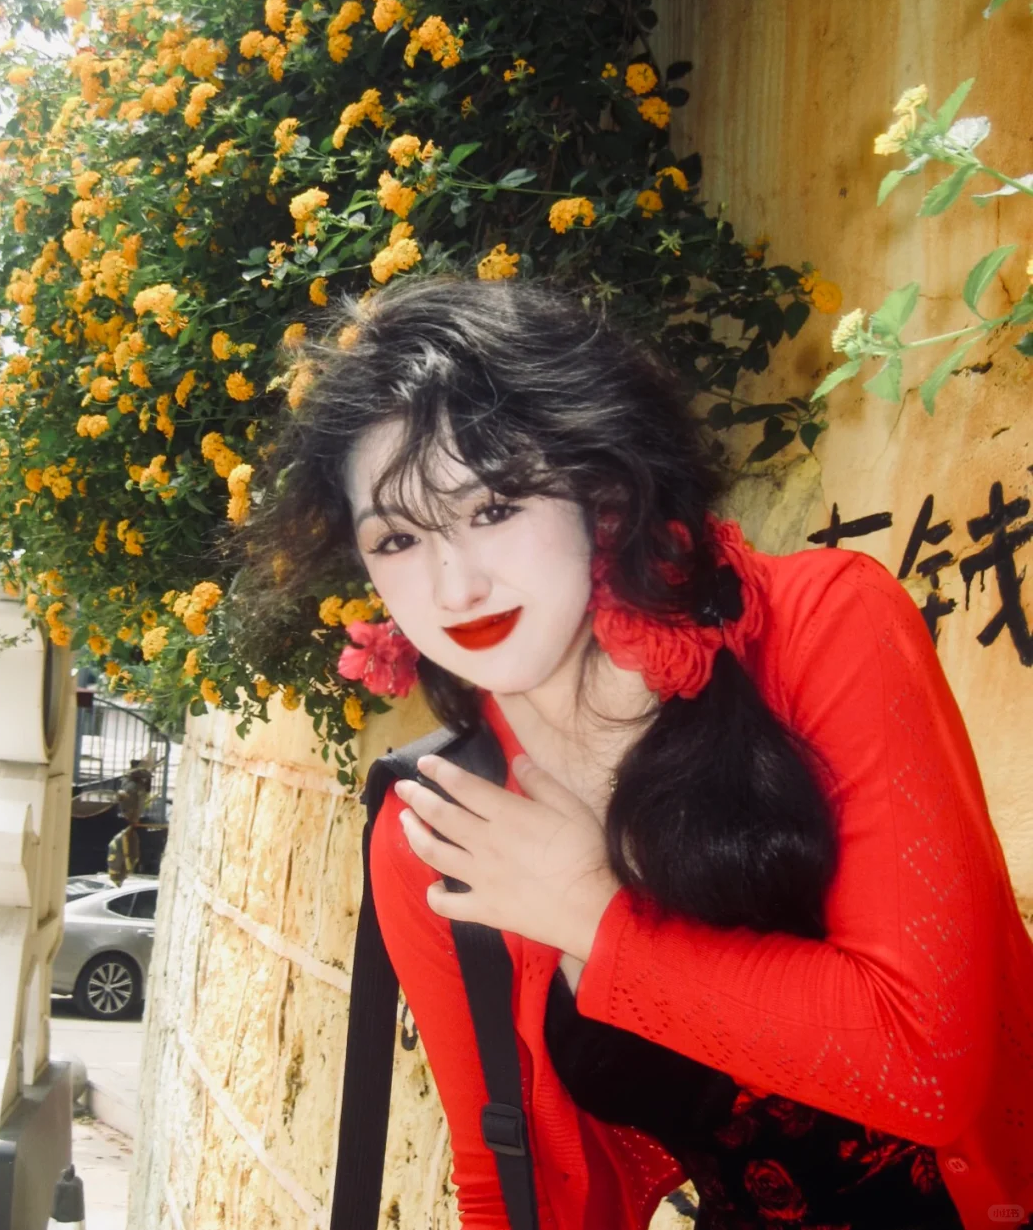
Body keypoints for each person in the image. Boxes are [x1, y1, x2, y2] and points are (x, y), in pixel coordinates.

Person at [242, 276, 1033, 1230]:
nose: (454, 586)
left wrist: (589, 911)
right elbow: (509, 1179)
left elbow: (927, 1068)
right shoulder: (439, 830)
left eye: (495, 507)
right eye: (399, 537)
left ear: (603, 490)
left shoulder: (822, 629)